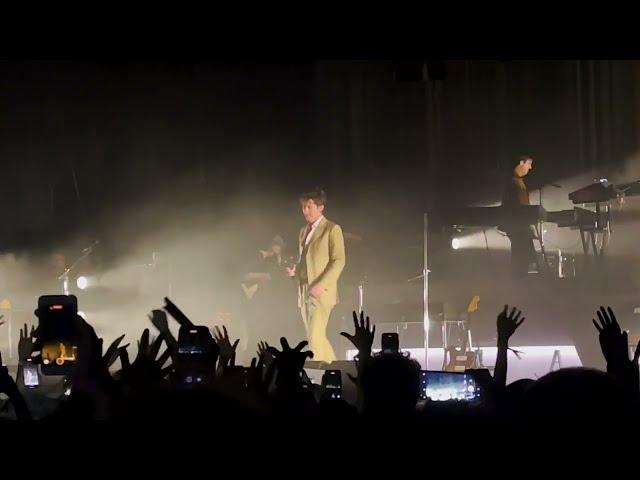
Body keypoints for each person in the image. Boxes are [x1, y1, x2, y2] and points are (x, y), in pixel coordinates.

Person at [287, 189, 345, 363]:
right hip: (304, 290)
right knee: (316, 337)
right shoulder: (303, 231)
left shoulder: (332, 229)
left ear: (320, 207)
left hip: (321, 291)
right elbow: (305, 260)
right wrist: (295, 273)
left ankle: (318, 377)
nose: (305, 211)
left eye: (309, 206)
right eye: (303, 207)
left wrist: (323, 283)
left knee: (315, 336)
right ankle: (336, 370)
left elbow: (339, 261)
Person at [501, 155, 537, 278]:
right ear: (521, 162)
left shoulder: (518, 182)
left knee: (523, 255)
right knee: (520, 255)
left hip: (521, 224)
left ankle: (521, 281)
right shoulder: (512, 182)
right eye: (529, 164)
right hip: (517, 225)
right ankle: (519, 282)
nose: (530, 167)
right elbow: (513, 206)